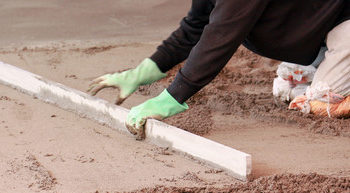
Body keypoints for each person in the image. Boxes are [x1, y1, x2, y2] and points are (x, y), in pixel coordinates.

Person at [88, 0, 350, 139]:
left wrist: (172, 98)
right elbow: (196, 25)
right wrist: (144, 72)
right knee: (289, 88)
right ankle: (322, 60)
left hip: (344, 24)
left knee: (320, 103)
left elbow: (222, 35)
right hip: (314, 27)